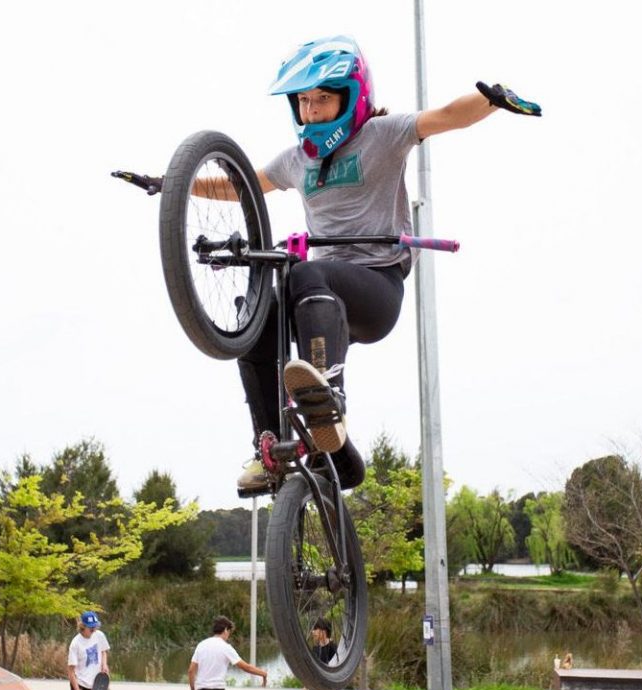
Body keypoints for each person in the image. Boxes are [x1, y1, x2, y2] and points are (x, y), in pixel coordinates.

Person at [220, 34, 540, 494]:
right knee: (255, 314)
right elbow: (240, 184)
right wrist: (174, 184)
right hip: (319, 298)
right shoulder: (295, 162)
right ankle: (278, 447)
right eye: (305, 102)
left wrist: (492, 101)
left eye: (323, 100)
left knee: (303, 270)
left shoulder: (383, 135)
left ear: (352, 97)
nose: (311, 112)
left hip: (375, 289)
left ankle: (327, 400)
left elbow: (446, 117)